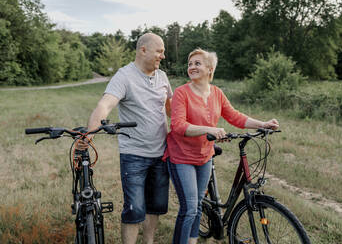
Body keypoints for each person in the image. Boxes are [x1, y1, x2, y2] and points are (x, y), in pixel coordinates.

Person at [163, 48, 279, 244]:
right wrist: (210, 129)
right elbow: (178, 126)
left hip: (204, 156)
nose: (192, 67)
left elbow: (234, 116)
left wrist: (262, 124)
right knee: (189, 208)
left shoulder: (217, 93)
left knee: (198, 205)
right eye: (190, 64)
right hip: (181, 157)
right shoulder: (182, 93)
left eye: (197, 63)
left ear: (210, 69)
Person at [79, 33, 172, 244]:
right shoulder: (124, 76)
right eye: (159, 51)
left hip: (161, 153)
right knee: (134, 209)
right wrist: (90, 133)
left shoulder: (162, 77)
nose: (163, 56)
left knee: (155, 206)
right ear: (143, 50)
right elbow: (105, 105)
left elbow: (171, 109)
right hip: (134, 155)